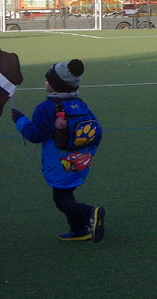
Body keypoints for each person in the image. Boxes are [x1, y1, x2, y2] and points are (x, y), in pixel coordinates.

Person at [10, 59, 105, 242]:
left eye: (48, 80)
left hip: (60, 162)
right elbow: (97, 132)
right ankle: (79, 230)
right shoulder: (80, 104)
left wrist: (19, 120)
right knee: (67, 193)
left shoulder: (46, 108)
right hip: (80, 160)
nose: (45, 83)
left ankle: (90, 213)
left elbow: (35, 135)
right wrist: (89, 153)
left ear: (56, 85)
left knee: (61, 200)